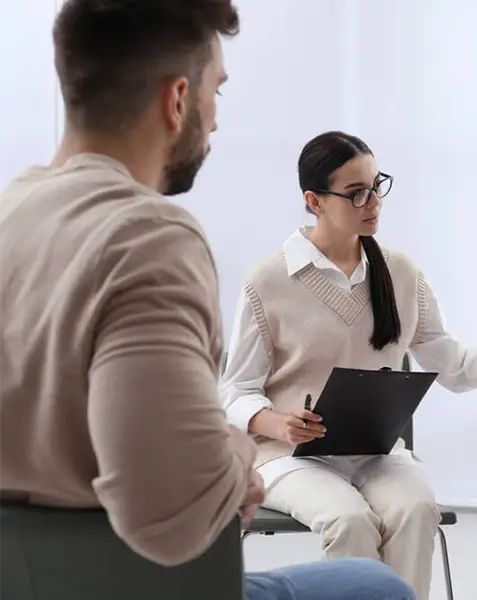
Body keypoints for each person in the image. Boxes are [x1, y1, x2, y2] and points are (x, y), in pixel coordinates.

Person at [0, 2, 414, 599]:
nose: (216, 121)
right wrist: (236, 449)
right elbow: (176, 516)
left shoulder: (13, 212)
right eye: (215, 90)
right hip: (139, 584)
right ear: (177, 100)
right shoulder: (148, 237)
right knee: (376, 587)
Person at [219, 129, 477, 599]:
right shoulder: (269, 281)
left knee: (417, 511)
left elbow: (453, 367)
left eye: (377, 186)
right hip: (290, 457)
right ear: (314, 201)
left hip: (378, 451)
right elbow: (234, 390)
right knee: (349, 520)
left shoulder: (400, 273)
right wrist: (280, 423)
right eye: (356, 193)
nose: (373, 201)